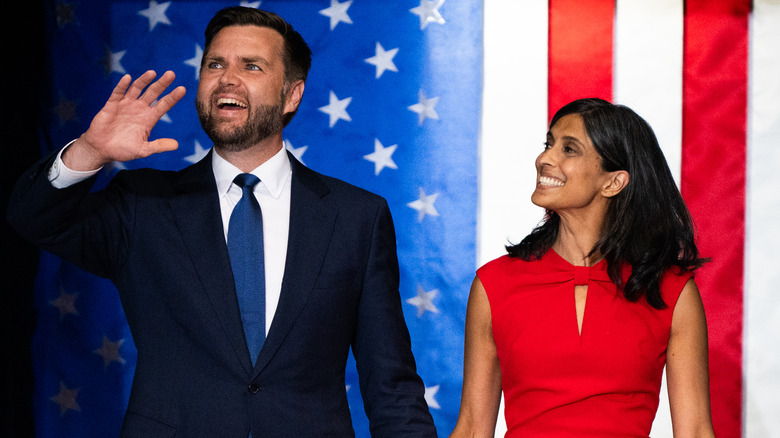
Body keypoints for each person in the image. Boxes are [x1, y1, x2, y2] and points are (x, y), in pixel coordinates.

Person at [7, 7, 436, 437]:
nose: (227, 78)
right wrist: (89, 152)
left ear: (292, 95)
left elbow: (391, 386)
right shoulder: (143, 204)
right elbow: (33, 218)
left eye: (251, 66)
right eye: (215, 64)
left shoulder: (356, 217)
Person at [450, 98, 715, 437]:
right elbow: (472, 428)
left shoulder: (672, 292)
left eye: (569, 149)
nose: (545, 158)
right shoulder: (493, 284)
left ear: (613, 182)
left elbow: (694, 430)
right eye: (549, 144)